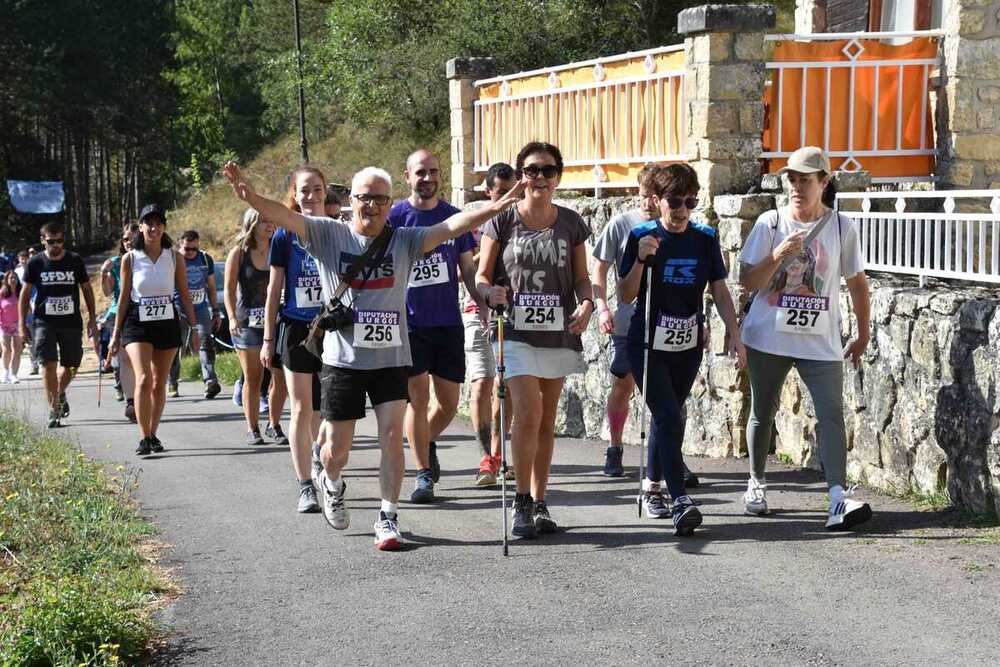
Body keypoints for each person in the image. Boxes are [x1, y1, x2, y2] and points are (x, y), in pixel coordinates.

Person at [222, 160, 523, 551]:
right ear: (352, 200)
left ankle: (388, 516)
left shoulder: (404, 240)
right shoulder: (327, 234)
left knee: (391, 437)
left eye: (381, 199)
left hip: (391, 358)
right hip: (343, 361)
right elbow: (285, 216)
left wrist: (498, 207)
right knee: (338, 450)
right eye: (365, 198)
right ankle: (330, 479)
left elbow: (453, 226)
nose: (373, 206)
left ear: (390, 202)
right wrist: (251, 198)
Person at [738, 146, 872, 531]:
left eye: (806, 179)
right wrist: (777, 254)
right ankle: (756, 483)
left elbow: (857, 283)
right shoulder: (770, 223)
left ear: (824, 182)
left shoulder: (842, 227)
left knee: (831, 414)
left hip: (820, 341)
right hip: (768, 337)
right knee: (762, 411)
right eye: (791, 179)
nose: (797, 186)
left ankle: (836, 497)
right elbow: (747, 281)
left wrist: (863, 332)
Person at [477, 141, 595, 539]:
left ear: (558, 176)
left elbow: (581, 277)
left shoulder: (571, 223)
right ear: (521, 175)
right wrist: (487, 292)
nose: (539, 178)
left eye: (547, 171)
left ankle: (540, 500)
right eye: (531, 170)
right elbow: (481, 274)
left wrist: (588, 303)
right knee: (527, 412)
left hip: (557, 330)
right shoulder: (503, 221)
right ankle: (521, 500)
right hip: (513, 330)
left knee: (546, 419)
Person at [619, 163, 746, 535]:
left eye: (690, 202)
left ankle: (652, 486)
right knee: (669, 417)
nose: (682, 211)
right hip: (646, 343)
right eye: (675, 202)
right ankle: (680, 500)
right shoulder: (642, 235)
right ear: (657, 201)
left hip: (687, 342)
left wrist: (735, 334)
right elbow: (625, 295)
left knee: (670, 414)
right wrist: (641, 260)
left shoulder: (705, 237)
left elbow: (719, 290)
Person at [592, 165, 702, 516]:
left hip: (675, 335)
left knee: (667, 409)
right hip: (631, 327)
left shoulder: (690, 232)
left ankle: (663, 473)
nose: (649, 202)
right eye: (645, 195)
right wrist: (602, 308)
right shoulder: (625, 226)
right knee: (626, 389)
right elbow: (603, 268)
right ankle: (615, 447)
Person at [388, 149, 479, 503]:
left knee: (449, 403)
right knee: (418, 399)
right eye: (421, 173)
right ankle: (423, 474)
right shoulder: (396, 217)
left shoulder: (453, 218)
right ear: (408, 176)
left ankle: (424, 442)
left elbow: (468, 268)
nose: (428, 179)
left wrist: (481, 303)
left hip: (447, 322)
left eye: (434, 172)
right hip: (409, 322)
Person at [263, 165, 328, 513]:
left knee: (324, 408)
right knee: (301, 407)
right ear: (294, 193)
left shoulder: (335, 231)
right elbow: (274, 291)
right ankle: (305, 485)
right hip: (296, 328)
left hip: (331, 328)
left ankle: (319, 454)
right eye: (304, 190)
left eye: (317, 190)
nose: (311, 196)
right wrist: (267, 338)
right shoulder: (283, 236)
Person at [109, 204, 197, 455]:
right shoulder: (131, 258)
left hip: (166, 320)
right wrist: (116, 334)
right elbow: (124, 297)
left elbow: (184, 293)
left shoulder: (174, 256)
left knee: (160, 381)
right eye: (149, 223)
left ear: (164, 227)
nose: (154, 227)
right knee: (144, 377)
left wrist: (195, 326)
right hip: (137, 321)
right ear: (141, 227)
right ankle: (144, 436)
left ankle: (154, 434)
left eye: (158, 223)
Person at [465, 163, 516, 486]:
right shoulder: (472, 221)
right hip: (477, 309)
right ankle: (486, 456)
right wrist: (486, 254)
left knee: (507, 387)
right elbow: (461, 268)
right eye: (501, 193)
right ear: (488, 192)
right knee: (483, 383)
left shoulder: (526, 218)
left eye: (514, 192)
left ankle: (499, 455)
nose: (508, 199)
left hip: (516, 312)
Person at [19, 222, 97, 428]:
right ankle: (54, 410)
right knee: (48, 364)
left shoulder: (74, 260)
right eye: (51, 241)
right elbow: (24, 294)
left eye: (60, 241)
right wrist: (22, 324)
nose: (56, 245)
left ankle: (60, 392)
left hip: (71, 321)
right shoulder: (35, 263)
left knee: (72, 364)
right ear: (43, 240)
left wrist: (92, 319)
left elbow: (87, 290)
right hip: (44, 321)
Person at [225, 208, 281, 446]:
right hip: (247, 322)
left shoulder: (279, 249)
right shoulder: (239, 253)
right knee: (253, 377)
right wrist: (231, 317)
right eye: (264, 221)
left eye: (271, 222)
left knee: (279, 376)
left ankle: (274, 424)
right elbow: (228, 289)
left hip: (277, 320)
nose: (269, 225)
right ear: (252, 224)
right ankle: (252, 428)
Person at [167, 230, 223, 399]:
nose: (191, 253)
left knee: (205, 342)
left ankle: (210, 381)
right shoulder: (174, 260)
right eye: (187, 249)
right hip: (179, 308)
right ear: (179, 245)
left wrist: (215, 310)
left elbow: (211, 288)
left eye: (194, 249)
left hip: (200, 308)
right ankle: (172, 381)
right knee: (177, 345)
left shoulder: (205, 259)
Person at [100, 222, 139, 419]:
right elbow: (107, 292)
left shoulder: (149, 257)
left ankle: (143, 396)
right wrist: (103, 273)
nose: (129, 243)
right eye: (125, 240)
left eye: (133, 239)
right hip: (119, 312)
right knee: (124, 358)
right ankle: (131, 401)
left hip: (143, 311)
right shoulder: (115, 262)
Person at [0, 271, 23, 382]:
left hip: (18, 325)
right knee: (6, 350)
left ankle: (14, 374)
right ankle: (5, 371)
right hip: (4, 325)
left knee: (17, 350)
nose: (13, 280)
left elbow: (26, 308)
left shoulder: (21, 292)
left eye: (15, 278)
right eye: (10, 278)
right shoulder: (2, 293)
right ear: (7, 280)